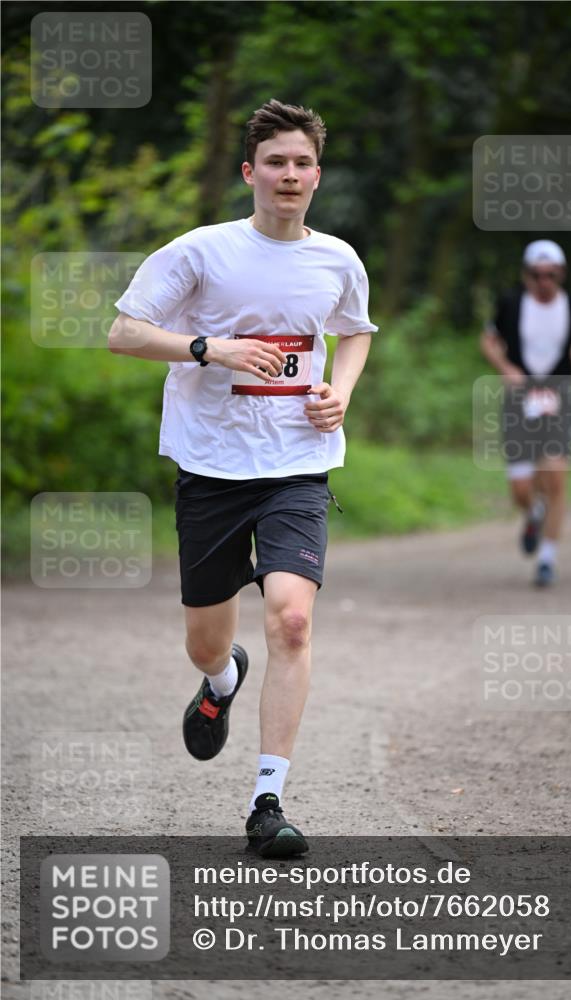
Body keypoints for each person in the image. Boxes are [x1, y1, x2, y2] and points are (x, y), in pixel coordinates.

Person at [109, 99, 377, 856]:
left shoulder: (337, 260)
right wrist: (210, 350)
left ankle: (268, 801)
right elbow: (123, 332)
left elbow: (353, 333)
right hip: (211, 466)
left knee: (292, 618)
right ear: (249, 172)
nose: (288, 175)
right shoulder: (201, 251)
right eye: (275, 162)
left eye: (301, 164)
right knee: (206, 641)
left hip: (297, 465)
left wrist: (341, 392)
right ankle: (221, 680)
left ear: (317, 176)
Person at [480, 240, 571, 587]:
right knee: (520, 486)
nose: (545, 281)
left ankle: (547, 558)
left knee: (556, 476)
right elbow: (488, 340)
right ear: (526, 275)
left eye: (552, 274)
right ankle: (532, 510)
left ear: (561, 274)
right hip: (520, 398)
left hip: (559, 396)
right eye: (537, 274)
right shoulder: (511, 304)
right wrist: (505, 367)